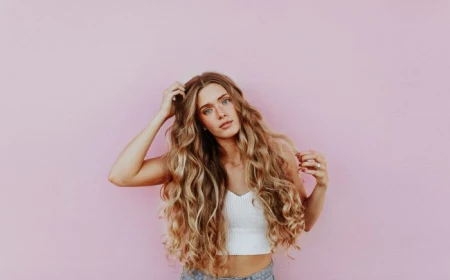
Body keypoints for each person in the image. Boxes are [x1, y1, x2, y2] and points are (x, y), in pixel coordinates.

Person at [108, 72, 329, 280]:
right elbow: (121, 175)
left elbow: (304, 223)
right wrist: (162, 115)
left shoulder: (277, 156)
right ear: (200, 123)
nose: (221, 113)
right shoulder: (190, 164)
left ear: (237, 104)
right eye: (207, 110)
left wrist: (321, 185)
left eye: (224, 101)